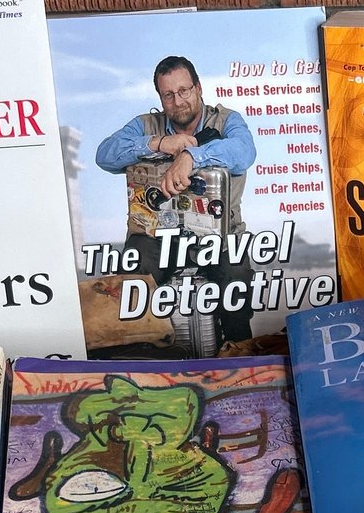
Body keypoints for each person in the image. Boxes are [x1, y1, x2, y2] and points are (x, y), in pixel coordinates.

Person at [96, 55, 259, 345]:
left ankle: (240, 353)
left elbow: (244, 152)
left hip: (219, 237)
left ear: (198, 88)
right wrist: (158, 143)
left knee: (236, 276)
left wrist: (191, 156)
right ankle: (147, 356)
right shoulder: (145, 125)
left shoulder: (227, 121)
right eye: (168, 95)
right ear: (160, 98)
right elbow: (105, 155)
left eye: (184, 90)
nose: (178, 101)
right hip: (156, 237)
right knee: (134, 274)